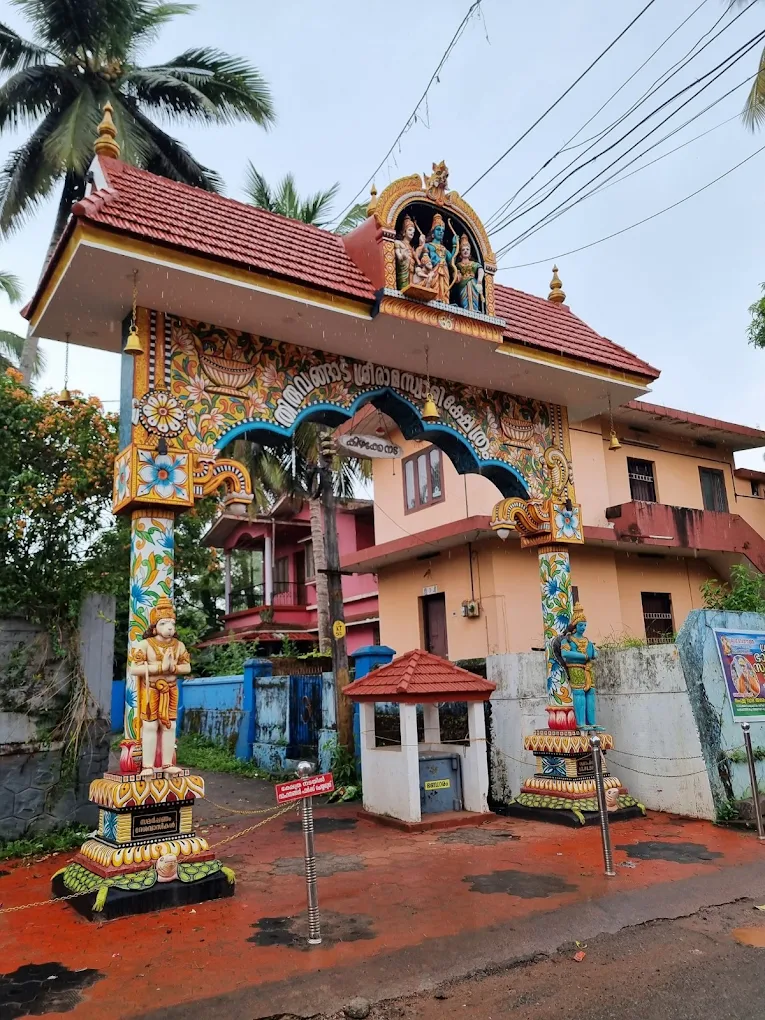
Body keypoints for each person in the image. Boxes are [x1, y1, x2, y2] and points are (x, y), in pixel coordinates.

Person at [129, 596, 191, 776]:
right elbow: (134, 669)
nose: (169, 627)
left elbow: (187, 667)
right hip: (151, 689)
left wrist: (173, 668)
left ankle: (166, 764)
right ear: (155, 627)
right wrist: (160, 668)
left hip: (171, 689)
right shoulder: (145, 645)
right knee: (150, 726)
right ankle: (148, 766)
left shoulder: (179, 645)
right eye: (164, 623)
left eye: (172, 623)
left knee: (170, 725)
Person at [559, 602, 601, 730]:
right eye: (581, 625)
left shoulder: (587, 640)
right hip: (575, 667)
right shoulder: (568, 640)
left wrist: (593, 653)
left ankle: (592, 723)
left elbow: (594, 654)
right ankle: (581, 723)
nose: (583, 627)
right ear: (575, 626)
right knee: (579, 693)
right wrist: (583, 656)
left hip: (587, 669)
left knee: (590, 692)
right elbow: (565, 653)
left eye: (585, 625)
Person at [419, 212, 458, 305]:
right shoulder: (428, 245)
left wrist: (455, 245)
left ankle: (445, 300)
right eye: (438, 229)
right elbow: (423, 258)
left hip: (444, 270)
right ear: (433, 232)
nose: (441, 232)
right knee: (435, 284)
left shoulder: (444, 249)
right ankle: (434, 298)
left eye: (442, 231)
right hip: (434, 269)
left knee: (444, 286)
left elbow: (451, 261)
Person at [453, 234, 485, 312]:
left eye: (467, 249)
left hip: (473, 282)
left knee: (474, 295)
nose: (465, 251)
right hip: (462, 284)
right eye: (463, 250)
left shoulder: (474, 263)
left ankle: (474, 308)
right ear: (460, 253)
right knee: (464, 296)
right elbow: (454, 271)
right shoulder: (458, 265)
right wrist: (456, 275)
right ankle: (466, 308)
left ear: (470, 252)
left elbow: (480, 270)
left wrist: (479, 280)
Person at [394, 214, 425, 291]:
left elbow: (418, 261)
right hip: (403, 272)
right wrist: (403, 256)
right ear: (404, 232)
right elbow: (398, 256)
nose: (412, 233)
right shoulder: (398, 242)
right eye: (410, 230)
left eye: (413, 232)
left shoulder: (412, 248)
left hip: (411, 271)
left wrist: (421, 244)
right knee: (404, 289)